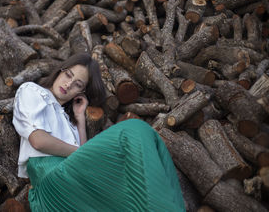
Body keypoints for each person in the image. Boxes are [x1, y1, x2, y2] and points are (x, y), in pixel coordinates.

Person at [12, 53, 186, 212]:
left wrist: (80, 119)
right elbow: (38, 141)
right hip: (51, 180)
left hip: (72, 183)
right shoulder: (32, 91)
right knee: (134, 129)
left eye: (77, 84)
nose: (68, 84)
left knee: (154, 145)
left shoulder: (68, 119)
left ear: (80, 92)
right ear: (60, 71)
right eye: (68, 75)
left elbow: (83, 161)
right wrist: (79, 152)